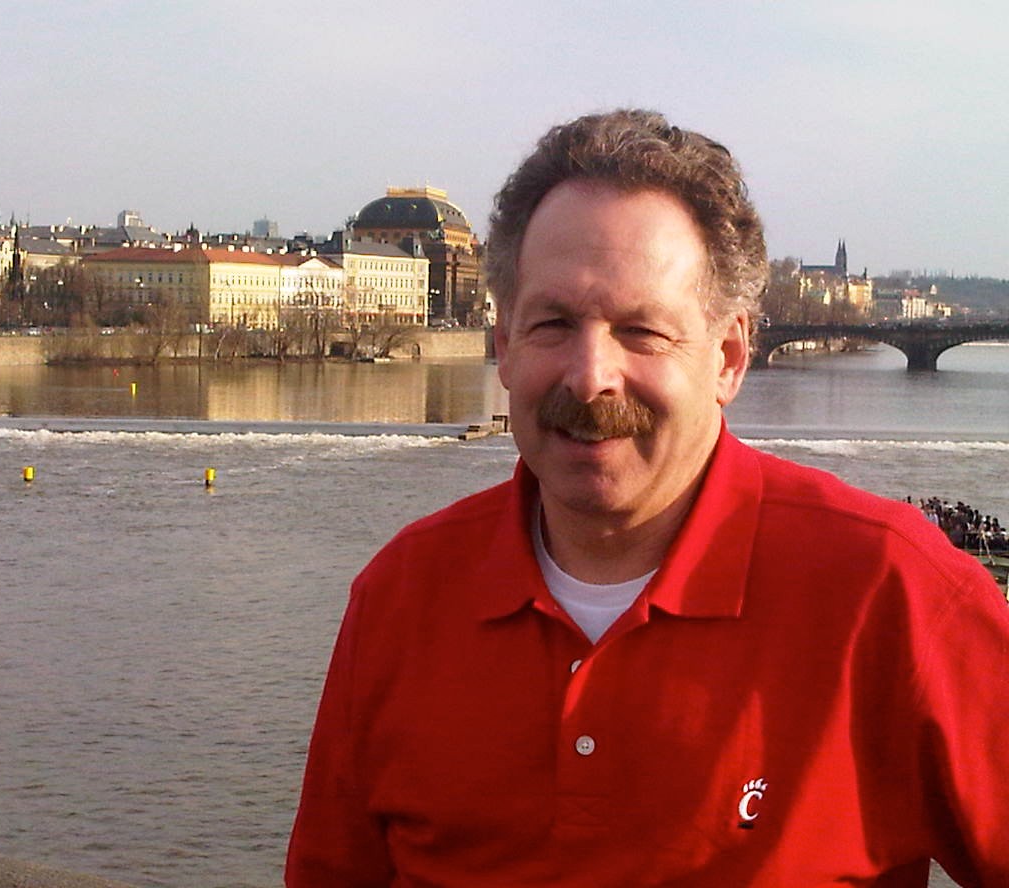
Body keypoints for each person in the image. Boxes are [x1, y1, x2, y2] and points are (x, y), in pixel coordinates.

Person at [285, 109, 1009, 887]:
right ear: (505, 347)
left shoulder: (896, 592)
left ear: (729, 358)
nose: (589, 377)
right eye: (553, 323)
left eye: (641, 331)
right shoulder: (400, 594)